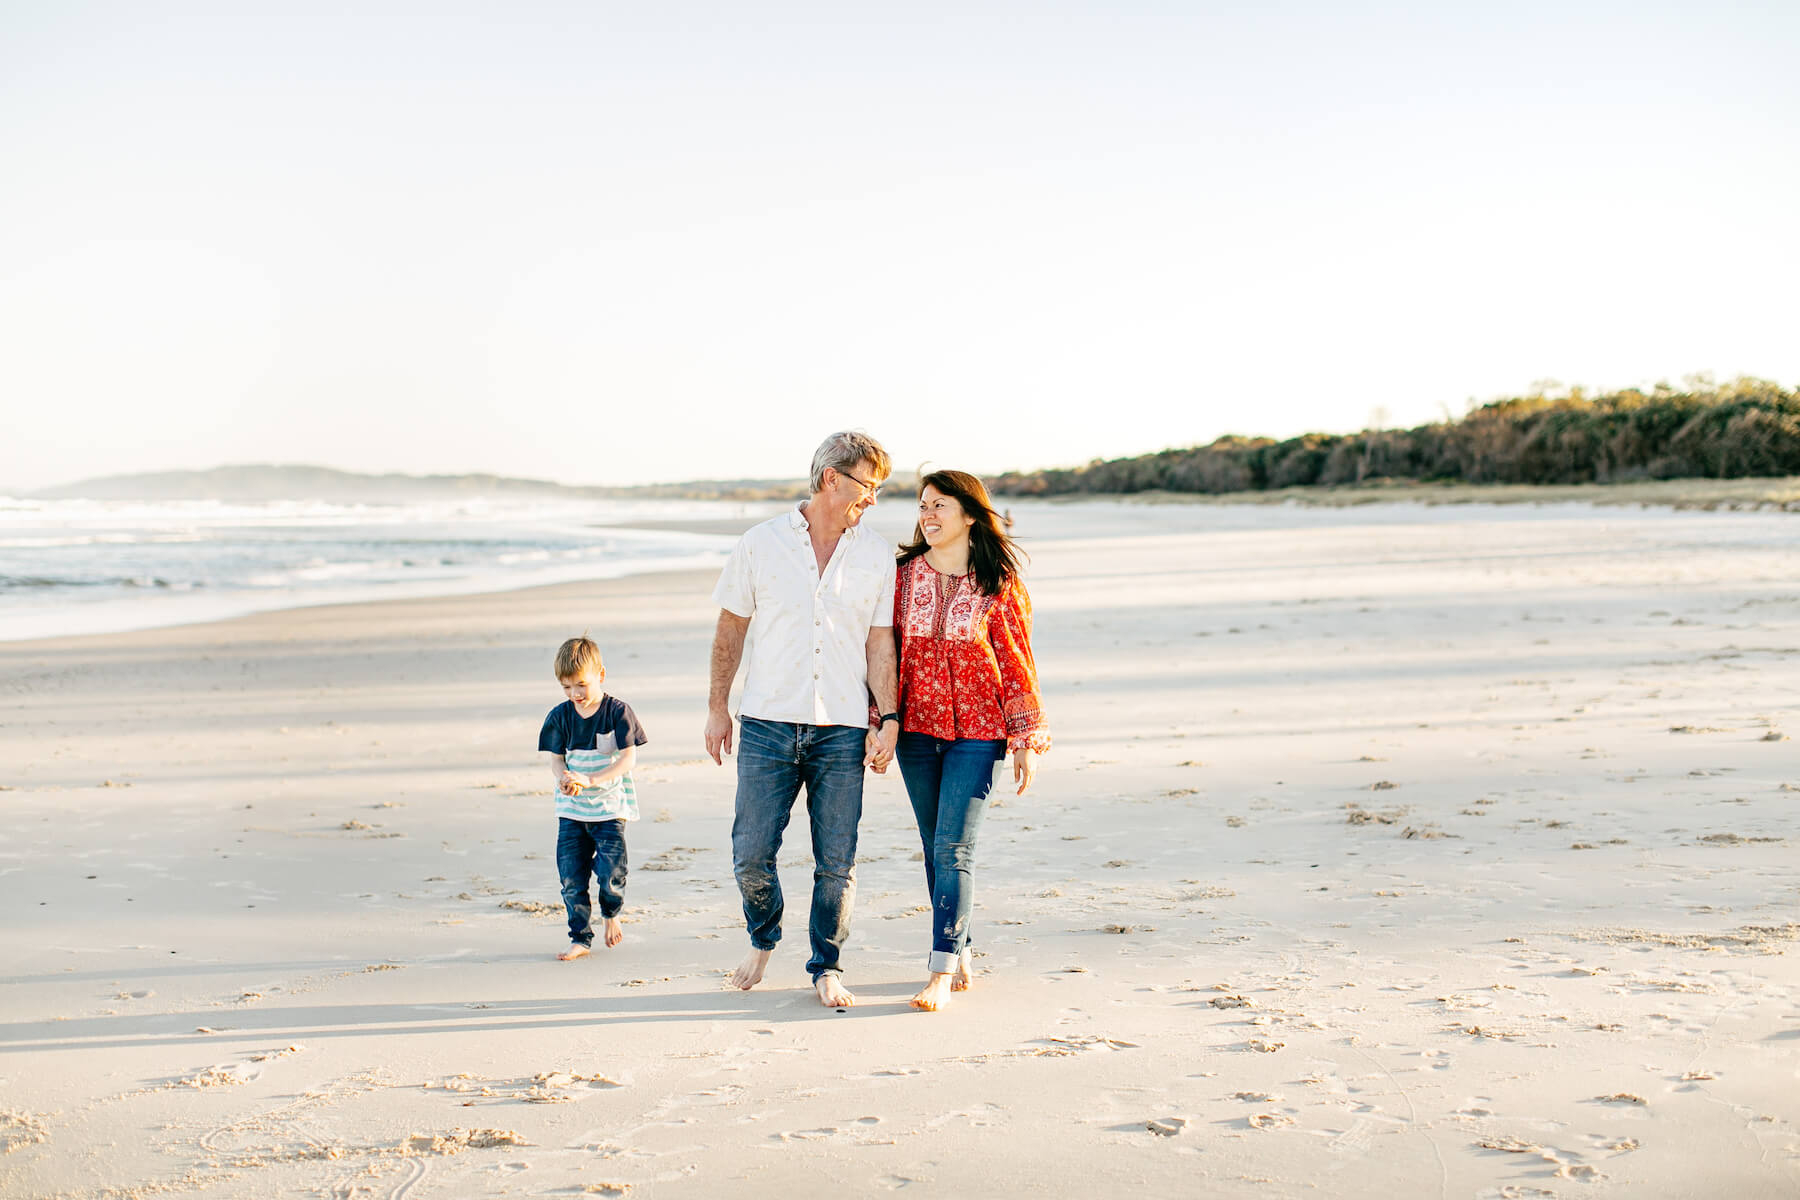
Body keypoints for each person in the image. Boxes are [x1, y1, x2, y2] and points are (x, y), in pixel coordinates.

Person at [705, 430, 899, 1008]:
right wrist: (718, 707)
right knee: (750, 854)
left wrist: (887, 717)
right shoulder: (760, 543)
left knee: (836, 860)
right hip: (765, 721)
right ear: (830, 479)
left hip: (841, 727)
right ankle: (764, 936)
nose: (873, 500)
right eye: (868, 485)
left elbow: (880, 643)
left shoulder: (875, 553)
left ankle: (826, 966)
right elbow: (730, 628)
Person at [891, 470, 1050, 1012]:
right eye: (922, 506)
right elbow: (882, 655)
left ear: (969, 514)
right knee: (936, 848)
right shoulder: (902, 577)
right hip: (915, 732)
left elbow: (1015, 662)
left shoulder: (998, 582)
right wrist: (880, 720)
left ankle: (938, 970)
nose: (927, 515)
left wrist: (1025, 735)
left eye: (939, 505)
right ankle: (958, 947)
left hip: (980, 734)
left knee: (954, 847)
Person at [538, 635, 648, 961]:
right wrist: (564, 780)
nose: (575, 694)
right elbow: (557, 760)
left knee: (611, 873)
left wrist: (591, 780)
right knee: (571, 878)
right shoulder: (560, 716)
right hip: (572, 811)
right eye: (567, 687)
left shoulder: (618, 712)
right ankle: (580, 938)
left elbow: (628, 759)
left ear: (601, 674)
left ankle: (611, 913)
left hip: (610, 809)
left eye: (581, 685)